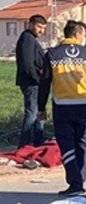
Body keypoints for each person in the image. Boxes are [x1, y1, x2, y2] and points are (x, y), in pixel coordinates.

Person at [38, 20, 86, 196]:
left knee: (66, 144)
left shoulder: (52, 54)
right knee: (83, 143)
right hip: (84, 106)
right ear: (77, 35)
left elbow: (45, 82)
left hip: (62, 106)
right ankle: (80, 179)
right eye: (84, 34)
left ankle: (75, 182)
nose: (85, 38)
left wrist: (41, 107)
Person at [15, 15, 48, 148]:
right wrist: (38, 79)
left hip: (33, 82)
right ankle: (24, 145)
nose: (41, 31)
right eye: (39, 27)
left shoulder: (31, 39)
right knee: (32, 113)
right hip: (31, 83)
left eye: (44, 28)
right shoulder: (27, 39)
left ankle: (38, 142)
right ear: (30, 24)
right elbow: (27, 64)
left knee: (38, 113)